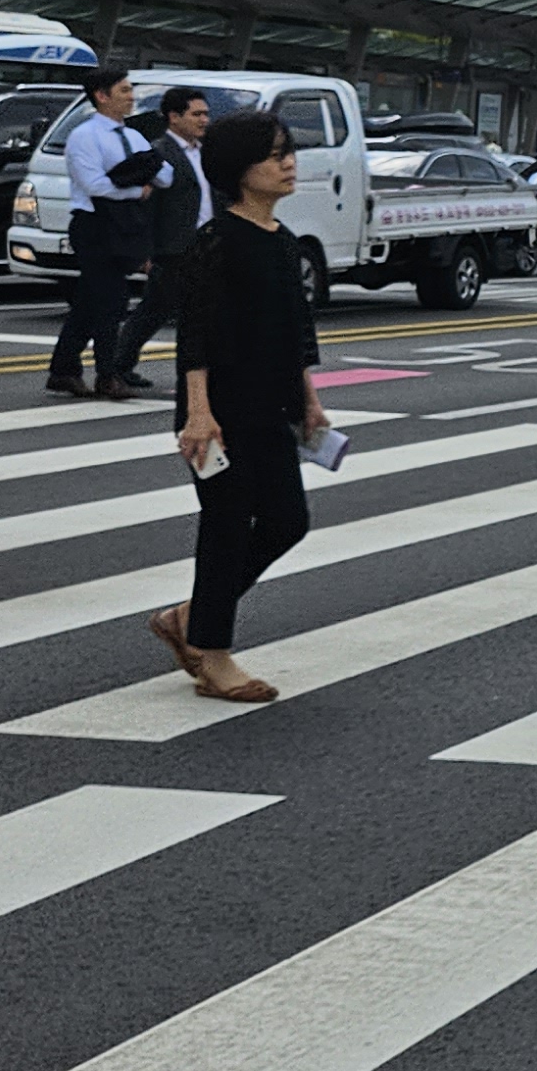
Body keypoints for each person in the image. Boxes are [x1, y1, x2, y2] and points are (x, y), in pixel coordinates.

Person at [148, 110, 331, 704]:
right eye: (273, 154)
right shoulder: (218, 240)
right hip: (221, 410)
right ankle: (213, 653)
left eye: (289, 151)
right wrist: (199, 414)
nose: (287, 163)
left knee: (288, 521)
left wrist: (309, 400)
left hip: (272, 406)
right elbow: (195, 334)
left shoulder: (283, 241)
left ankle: (189, 617)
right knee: (226, 528)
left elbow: (297, 330)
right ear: (236, 170)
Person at [47, 66, 161, 398]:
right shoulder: (85, 136)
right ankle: (108, 375)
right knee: (112, 300)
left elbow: (161, 171)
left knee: (90, 301)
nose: (131, 97)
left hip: (125, 223)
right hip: (94, 224)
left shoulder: (135, 135)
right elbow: (93, 185)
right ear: (102, 95)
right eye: (124, 90)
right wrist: (135, 189)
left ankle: (63, 369)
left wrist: (154, 175)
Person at [97, 85, 217, 397]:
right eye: (197, 114)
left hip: (205, 243)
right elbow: (147, 206)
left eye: (206, 114)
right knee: (155, 310)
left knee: (196, 313)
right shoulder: (159, 153)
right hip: (173, 246)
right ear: (174, 117)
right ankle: (118, 367)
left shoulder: (205, 152)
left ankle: (130, 366)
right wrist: (145, 250)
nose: (204, 120)